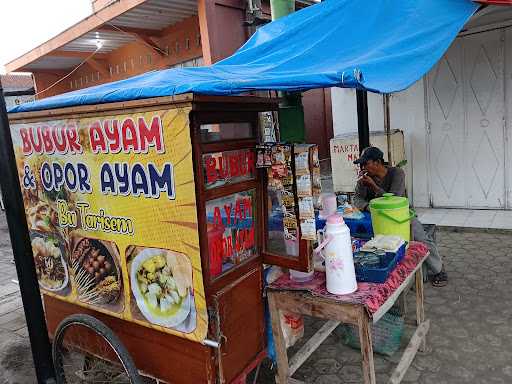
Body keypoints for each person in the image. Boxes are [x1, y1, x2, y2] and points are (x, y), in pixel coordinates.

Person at [352, 146, 448, 287]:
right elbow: (357, 198)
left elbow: (395, 199)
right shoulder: (365, 178)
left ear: (377, 162)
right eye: (361, 164)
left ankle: (439, 269)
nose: (363, 167)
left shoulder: (397, 173)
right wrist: (368, 207)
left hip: (401, 214)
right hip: (376, 216)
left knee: (420, 237)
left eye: (365, 163)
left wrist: (374, 187)